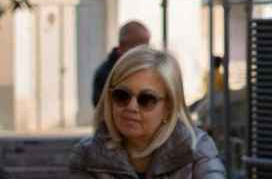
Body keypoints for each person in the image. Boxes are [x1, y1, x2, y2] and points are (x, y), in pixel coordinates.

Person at [69, 46, 225, 178]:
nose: (131, 107)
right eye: (122, 95)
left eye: (146, 99)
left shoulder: (196, 149)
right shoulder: (87, 155)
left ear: (169, 108)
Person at [93, 21, 151, 106]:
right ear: (122, 45)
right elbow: (101, 108)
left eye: (146, 46)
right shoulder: (105, 74)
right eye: (138, 46)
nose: (144, 52)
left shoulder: (151, 70)